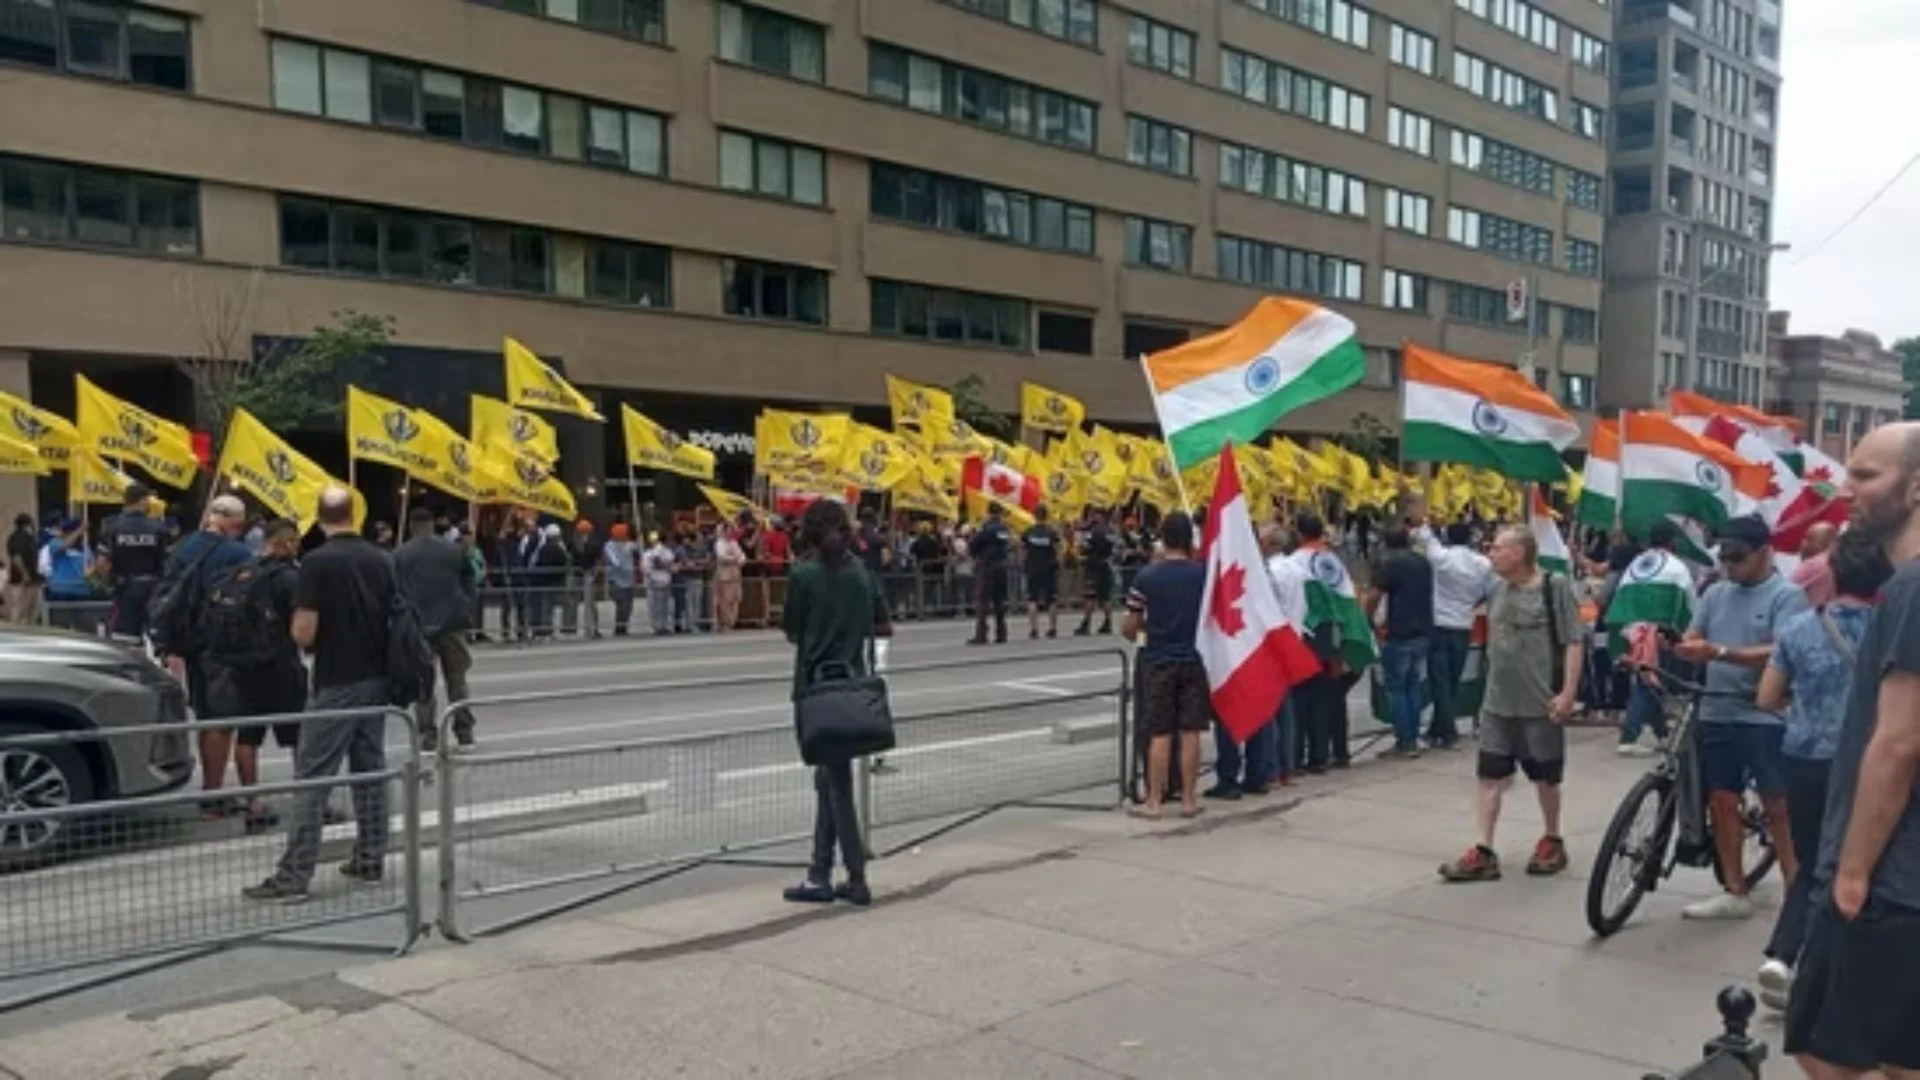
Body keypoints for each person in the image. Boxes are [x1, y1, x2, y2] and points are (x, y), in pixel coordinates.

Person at [1783, 421, 1920, 1079]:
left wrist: (1853, 871)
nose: (1847, 489)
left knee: (1822, 1048)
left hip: (1890, 880)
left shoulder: (1914, 589)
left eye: (1866, 475)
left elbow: (1898, 742)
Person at [1753, 531, 1893, 1011]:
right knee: (1867, 863)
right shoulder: (1892, 626)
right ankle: (1840, 969)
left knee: (1811, 861)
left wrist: (1806, 709)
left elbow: (1767, 697)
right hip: (1870, 761)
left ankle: (1783, 954)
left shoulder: (1797, 628)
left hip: (1806, 759)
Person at [244, 488, 401, 904]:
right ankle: (370, 857)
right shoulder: (382, 559)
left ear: (319, 517)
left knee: (312, 779)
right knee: (370, 770)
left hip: (336, 680)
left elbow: (303, 632)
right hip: (377, 678)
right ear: (354, 514)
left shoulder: (316, 563)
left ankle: (293, 876)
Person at [1672, 515, 1809, 920]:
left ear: (1765, 552)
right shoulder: (1717, 593)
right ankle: (1734, 888)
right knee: (1722, 799)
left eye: (1738, 558)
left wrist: (1719, 652)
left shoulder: (1787, 596)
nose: (1731, 567)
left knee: (1778, 803)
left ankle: (1794, 889)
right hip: (1717, 707)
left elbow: (1780, 651)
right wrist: (1688, 645)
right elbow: (1696, 633)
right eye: (1726, 558)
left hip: (1764, 712)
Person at [1440, 526, 1583, 883]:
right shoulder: (1496, 587)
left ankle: (1552, 839)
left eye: (1498, 548)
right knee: (1489, 776)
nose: (1491, 553)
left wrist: (1567, 693)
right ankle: (1484, 850)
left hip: (1539, 705)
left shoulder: (1554, 587)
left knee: (1546, 778)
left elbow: (1574, 642)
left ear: (1519, 553)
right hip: (1497, 704)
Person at [780, 499, 889, 908]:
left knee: (836, 784)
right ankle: (818, 872)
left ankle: (855, 876)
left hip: (814, 687)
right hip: (852, 682)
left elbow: (792, 631)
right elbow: (883, 622)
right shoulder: (861, 574)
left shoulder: (804, 576)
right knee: (829, 779)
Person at [202, 518, 305, 832]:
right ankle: (309, 798)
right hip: (281, 665)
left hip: (244, 667)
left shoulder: (243, 573)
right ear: (286, 542)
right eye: (295, 542)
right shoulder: (289, 577)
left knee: (249, 736)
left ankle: (253, 801)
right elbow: (299, 626)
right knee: (299, 735)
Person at [162, 495, 253, 816]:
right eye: (239, 524)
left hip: (189, 644)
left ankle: (210, 788)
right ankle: (214, 794)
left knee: (206, 717)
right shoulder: (236, 553)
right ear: (232, 521)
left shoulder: (183, 547)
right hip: (221, 645)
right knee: (222, 720)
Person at [1122, 511, 1207, 820]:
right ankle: (1188, 800)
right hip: (1193, 657)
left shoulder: (1146, 576)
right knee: (1191, 731)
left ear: (1164, 537)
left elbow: (1130, 626)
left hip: (1158, 659)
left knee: (1159, 733)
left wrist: (1146, 629)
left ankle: (1154, 802)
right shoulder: (1202, 574)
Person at [395, 506, 477, 752]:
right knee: (458, 680)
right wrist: (466, 608)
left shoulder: (400, 555)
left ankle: (427, 736)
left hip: (418, 627)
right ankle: (465, 732)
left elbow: (394, 593)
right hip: (453, 624)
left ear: (410, 526)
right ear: (433, 524)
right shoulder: (453, 551)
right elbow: (470, 581)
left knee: (424, 684)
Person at [1280, 512, 1353, 774]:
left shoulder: (1293, 563)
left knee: (1301, 699)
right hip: (1331, 636)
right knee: (1325, 697)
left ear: (1299, 534)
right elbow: (1349, 599)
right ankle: (1321, 756)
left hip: (1305, 634)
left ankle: (1296, 756)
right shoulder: (1334, 561)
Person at [1416, 518, 1493, 749]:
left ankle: (1447, 731)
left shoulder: (1441, 557)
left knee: (1439, 680)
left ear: (1448, 537)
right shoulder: (1482, 564)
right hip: (1463, 623)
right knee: (1452, 680)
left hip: (1439, 623)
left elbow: (1424, 535)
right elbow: (1488, 591)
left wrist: (1424, 518)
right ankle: (1437, 729)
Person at [1615, 521, 1688, 756]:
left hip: (1631, 630)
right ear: (1671, 542)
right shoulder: (1675, 566)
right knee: (1648, 684)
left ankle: (1662, 734)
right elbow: (1687, 601)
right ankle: (1629, 735)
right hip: (1658, 634)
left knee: (1653, 683)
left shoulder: (1637, 565)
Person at [1367, 526, 1436, 759]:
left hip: (1400, 631)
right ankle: (1414, 735)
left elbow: (1375, 595)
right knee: (1413, 685)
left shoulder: (1389, 564)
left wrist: (1366, 617)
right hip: (1423, 630)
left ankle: (1404, 741)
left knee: (1396, 688)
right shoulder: (1422, 562)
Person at [100, 482, 168, 643]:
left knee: (124, 642)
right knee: (153, 640)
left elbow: (102, 562)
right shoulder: (159, 528)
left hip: (123, 590)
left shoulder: (111, 527)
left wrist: (107, 584)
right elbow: (168, 563)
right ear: (143, 501)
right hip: (153, 591)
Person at [967, 504, 1011, 645]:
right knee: (999, 602)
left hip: (987, 567)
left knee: (982, 602)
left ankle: (981, 635)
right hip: (1002, 566)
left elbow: (974, 545)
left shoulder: (987, 528)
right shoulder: (1004, 529)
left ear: (988, 512)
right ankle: (1001, 633)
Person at [40, 517, 93, 631]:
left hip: (81, 591)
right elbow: (64, 546)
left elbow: (90, 565)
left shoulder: (85, 547)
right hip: (60, 590)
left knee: (83, 627)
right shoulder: (55, 543)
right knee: (60, 627)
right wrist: (80, 530)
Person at [1021, 505, 1063, 639]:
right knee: (1051, 600)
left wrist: (1024, 564)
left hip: (1033, 569)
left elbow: (1023, 550)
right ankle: (1052, 628)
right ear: (1047, 516)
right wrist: (1058, 564)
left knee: (1032, 599)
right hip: (1049, 568)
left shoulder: (1029, 532)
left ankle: (1034, 629)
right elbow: (1058, 550)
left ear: (1035, 516)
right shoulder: (1052, 532)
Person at [1075, 510, 1117, 636]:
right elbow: (1116, 548)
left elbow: (1084, 547)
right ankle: (1108, 622)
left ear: (1099, 516)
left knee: (1090, 596)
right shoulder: (1111, 531)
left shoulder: (1093, 532)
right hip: (1106, 564)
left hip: (1093, 566)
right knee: (1106, 597)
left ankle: (1086, 623)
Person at [1789, 521, 1839, 606]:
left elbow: (1786, 592)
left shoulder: (1814, 564)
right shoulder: (1838, 562)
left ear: (1821, 544)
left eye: (1809, 539)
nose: (1802, 543)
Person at [602, 523, 638, 635]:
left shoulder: (629, 544)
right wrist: (623, 554)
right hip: (616, 580)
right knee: (621, 604)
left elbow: (639, 549)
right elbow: (614, 561)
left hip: (629, 580)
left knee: (628, 605)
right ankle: (619, 628)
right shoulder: (610, 545)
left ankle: (624, 626)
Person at [6, 512, 42, 625]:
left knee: (30, 610)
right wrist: (25, 574)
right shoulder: (17, 538)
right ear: (27, 524)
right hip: (22, 581)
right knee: (19, 610)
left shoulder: (29, 538)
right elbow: (16, 557)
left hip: (31, 580)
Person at [712, 525, 746, 631]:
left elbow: (742, 556)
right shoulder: (719, 543)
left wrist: (739, 560)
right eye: (729, 531)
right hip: (724, 574)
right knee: (725, 599)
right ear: (724, 532)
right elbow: (721, 556)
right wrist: (734, 558)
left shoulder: (734, 543)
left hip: (735, 574)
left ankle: (732, 621)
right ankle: (724, 622)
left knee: (735, 598)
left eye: (731, 531)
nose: (730, 533)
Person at [641, 531, 675, 635]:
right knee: (655, 606)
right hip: (654, 583)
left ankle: (662, 625)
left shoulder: (666, 552)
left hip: (663, 581)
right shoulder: (647, 554)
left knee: (662, 606)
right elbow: (646, 569)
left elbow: (671, 564)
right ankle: (656, 626)